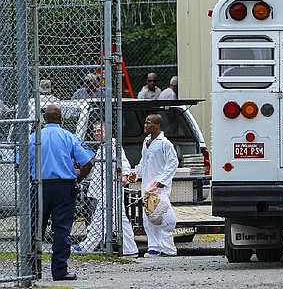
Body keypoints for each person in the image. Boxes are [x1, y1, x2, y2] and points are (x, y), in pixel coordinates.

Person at [27, 104, 94, 281]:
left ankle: (33, 268)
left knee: (35, 228)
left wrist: (32, 175)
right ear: (61, 118)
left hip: (39, 186)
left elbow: (20, 163)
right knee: (61, 230)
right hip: (64, 187)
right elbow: (88, 162)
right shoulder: (68, 137)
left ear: (44, 118)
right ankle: (59, 271)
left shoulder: (33, 137)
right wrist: (77, 179)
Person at [72, 122, 138, 257]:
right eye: (94, 131)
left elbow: (123, 161)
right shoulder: (103, 147)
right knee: (120, 220)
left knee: (100, 219)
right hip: (104, 189)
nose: (96, 134)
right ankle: (130, 248)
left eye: (99, 131)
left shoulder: (112, 146)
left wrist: (125, 175)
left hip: (110, 189)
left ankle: (86, 247)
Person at [128, 114, 178, 257]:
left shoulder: (165, 143)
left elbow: (173, 163)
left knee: (165, 217)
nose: (146, 125)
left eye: (148, 123)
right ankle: (154, 247)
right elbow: (144, 161)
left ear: (157, 125)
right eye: (146, 122)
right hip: (147, 186)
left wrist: (162, 180)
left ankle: (169, 248)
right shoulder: (146, 141)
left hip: (159, 187)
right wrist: (135, 173)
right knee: (149, 218)